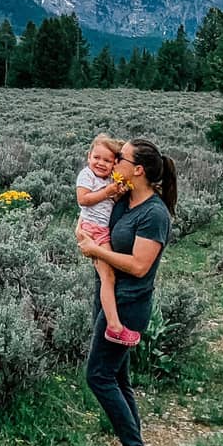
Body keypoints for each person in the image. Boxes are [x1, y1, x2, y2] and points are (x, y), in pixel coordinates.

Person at [76, 138, 177, 446]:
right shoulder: (123, 199)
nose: (115, 162)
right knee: (118, 377)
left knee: (98, 375)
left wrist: (96, 250)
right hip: (107, 296)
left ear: (138, 170)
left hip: (130, 304)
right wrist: (84, 233)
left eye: (121, 158)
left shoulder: (154, 214)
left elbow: (138, 265)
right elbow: (90, 215)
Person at [76, 134, 140, 347]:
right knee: (108, 277)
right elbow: (83, 200)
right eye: (97, 158)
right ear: (89, 157)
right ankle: (114, 326)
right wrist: (108, 192)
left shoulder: (109, 181)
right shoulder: (87, 176)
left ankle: (112, 322)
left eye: (107, 160)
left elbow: (110, 200)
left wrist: (117, 192)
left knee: (109, 276)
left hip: (101, 231)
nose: (100, 163)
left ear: (115, 163)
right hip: (93, 231)